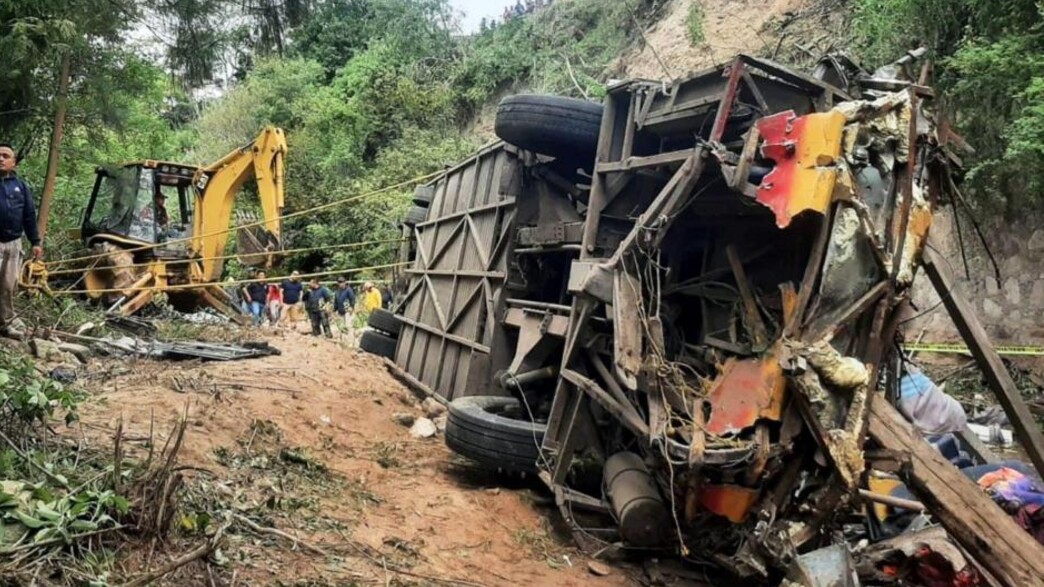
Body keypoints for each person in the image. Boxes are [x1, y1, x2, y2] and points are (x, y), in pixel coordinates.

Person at [0, 143, 42, 339]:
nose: (1, 159)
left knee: (8, 285)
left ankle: (6, 323)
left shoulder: (21, 187)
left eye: (5, 156)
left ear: (14, 162)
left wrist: (35, 242)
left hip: (14, 243)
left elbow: (29, 216)